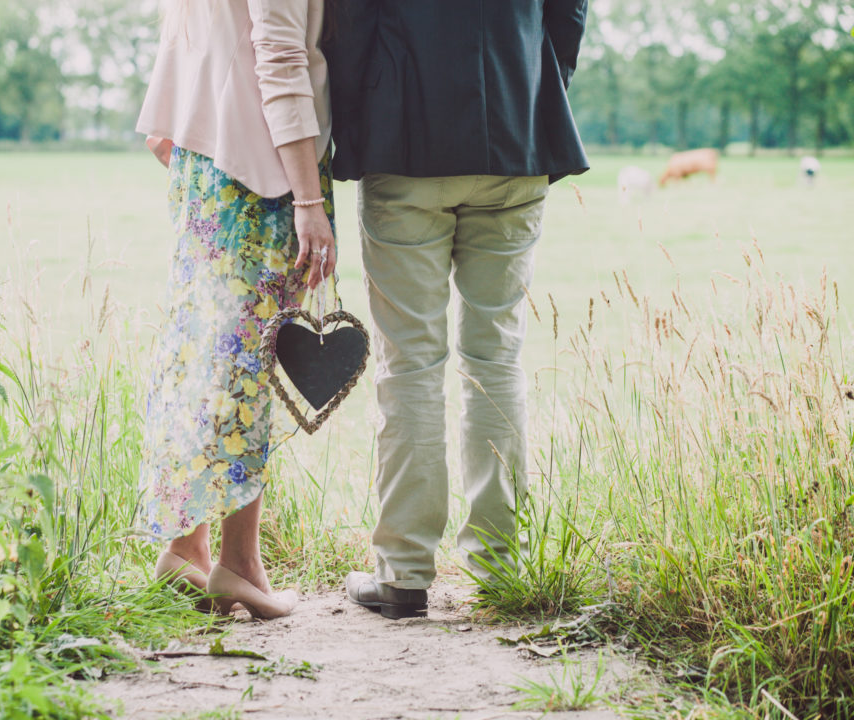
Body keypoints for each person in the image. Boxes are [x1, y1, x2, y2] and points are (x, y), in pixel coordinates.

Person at [324, 0, 590, 619]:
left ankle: (403, 574)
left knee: (410, 363)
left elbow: (352, 24)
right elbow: (567, 12)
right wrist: (531, 82)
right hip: (516, 137)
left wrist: (357, 125)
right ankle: (500, 568)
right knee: (496, 358)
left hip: (405, 144)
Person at [135, 0, 335, 620]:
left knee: (201, 354)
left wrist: (177, 121)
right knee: (243, 365)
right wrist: (308, 196)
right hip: (262, 174)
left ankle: (184, 547)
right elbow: (278, 54)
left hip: (205, 160)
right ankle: (238, 564)